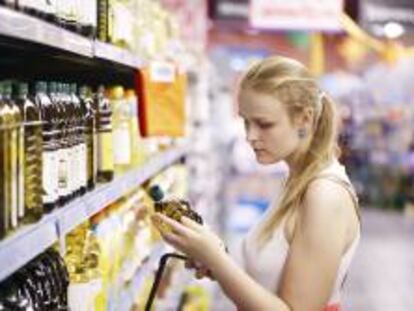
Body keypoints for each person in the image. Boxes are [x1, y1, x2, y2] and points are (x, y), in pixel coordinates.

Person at [151, 56, 361, 311]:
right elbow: (274, 281)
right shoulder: (297, 179)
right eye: (245, 121)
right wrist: (214, 257)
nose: (250, 136)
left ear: (304, 119)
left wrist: (218, 261)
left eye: (264, 124)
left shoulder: (325, 194)